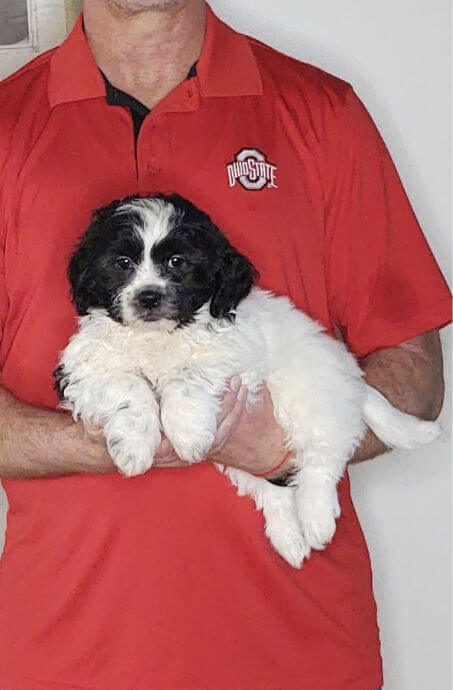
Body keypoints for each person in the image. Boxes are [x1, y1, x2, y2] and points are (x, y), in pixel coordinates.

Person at [0, 0, 450, 688]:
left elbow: (413, 376)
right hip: (66, 650)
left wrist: (275, 446)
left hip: (296, 648)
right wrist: (105, 439)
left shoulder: (320, 111)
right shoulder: (6, 127)